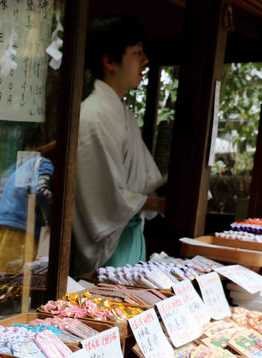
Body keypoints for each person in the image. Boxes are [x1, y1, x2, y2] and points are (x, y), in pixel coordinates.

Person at [71, 13, 165, 276]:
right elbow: (105, 196)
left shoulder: (121, 112)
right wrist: (156, 204)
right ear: (110, 61)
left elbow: (143, 181)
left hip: (129, 237)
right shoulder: (94, 115)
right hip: (111, 246)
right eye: (136, 52)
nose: (145, 60)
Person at [0, 141, 55, 274]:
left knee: (5, 281)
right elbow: (41, 191)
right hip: (21, 231)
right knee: (16, 281)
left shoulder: (25, 164)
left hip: (6, 228)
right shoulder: (45, 163)